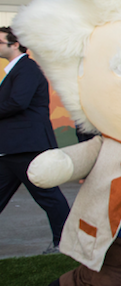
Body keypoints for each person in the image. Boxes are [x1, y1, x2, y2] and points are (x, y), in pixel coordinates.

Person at [0, 26, 72, 253]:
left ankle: (66, 242)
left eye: (0, 42)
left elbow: (17, 103)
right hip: (11, 149)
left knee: (48, 196)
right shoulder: (15, 71)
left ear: (15, 44)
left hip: (27, 148)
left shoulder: (27, 69)